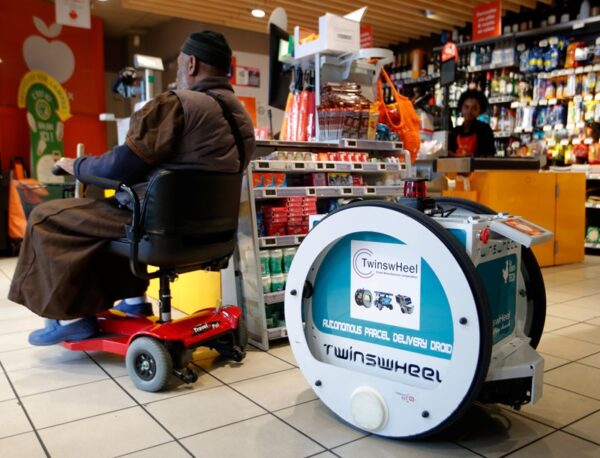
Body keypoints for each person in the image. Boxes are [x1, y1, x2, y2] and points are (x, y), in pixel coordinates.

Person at [8, 31, 256, 345]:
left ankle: (69, 317)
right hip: (210, 234)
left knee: (49, 217)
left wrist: (78, 165)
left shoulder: (177, 104)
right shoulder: (241, 117)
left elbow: (118, 167)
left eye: (179, 66)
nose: (178, 73)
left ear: (191, 63)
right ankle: (135, 301)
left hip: (157, 226)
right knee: (106, 214)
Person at [448, 90, 496, 157]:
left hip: (477, 167)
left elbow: (489, 154)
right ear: (461, 108)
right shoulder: (455, 131)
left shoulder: (484, 130)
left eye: (474, 108)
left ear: (480, 111)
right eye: (466, 107)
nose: (469, 111)